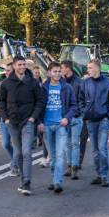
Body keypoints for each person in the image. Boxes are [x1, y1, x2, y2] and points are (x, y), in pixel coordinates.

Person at [0, 55, 45, 196]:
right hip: (12, 122)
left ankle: (27, 183)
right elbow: (0, 102)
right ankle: (23, 180)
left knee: (27, 152)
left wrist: (33, 117)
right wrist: (5, 118)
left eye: (24, 64)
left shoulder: (32, 83)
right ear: (14, 66)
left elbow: (40, 100)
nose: (22, 67)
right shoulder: (6, 83)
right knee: (17, 153)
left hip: (28, 122)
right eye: (19, 65)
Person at [39, 62, 77, 194]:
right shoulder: (43, 88)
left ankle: (57, 182)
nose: (57, 74)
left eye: (59, 71)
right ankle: (55, 178)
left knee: (60, 155)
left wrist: (67, 117)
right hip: (47, 126)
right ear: (49, 73)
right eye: (55, 71)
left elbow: (73, 105)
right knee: (53, 156)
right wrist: (39, 122)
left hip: (61, 125)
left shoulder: (67, 87)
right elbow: (38, 106)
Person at [80, 59, 109, 187]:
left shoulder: (108, 83)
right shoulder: (85, 83)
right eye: (88, 67)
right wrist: (84, 113)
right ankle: (98, 174)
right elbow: (80, 99)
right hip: (90, 121)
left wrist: (108, 115)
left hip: (103, 120)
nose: (88, 70)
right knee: (95, 151)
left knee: (102, 149)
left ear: (97, 68)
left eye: (90, 67)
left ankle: (104, 176)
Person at [61, 60, 86, 179]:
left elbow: (83, 99)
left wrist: (80, 112)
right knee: (67, 144)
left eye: (62, 68)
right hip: (65, 118)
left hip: (76, 117)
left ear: (68, 68)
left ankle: (75, 167)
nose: (61, 70)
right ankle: (69, 165)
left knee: (75, 143)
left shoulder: (79, 82)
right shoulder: (62, 82)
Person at [0, 62, 19, 177]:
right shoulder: (1, 84)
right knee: (5, 143)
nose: (7, 72)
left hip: (15, 119)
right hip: (4, 119)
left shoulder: (18, 84)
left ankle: (15, 166)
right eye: (6, 70)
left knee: (16, 144)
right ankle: (15, 159)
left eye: (9, 70)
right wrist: (1, 117)